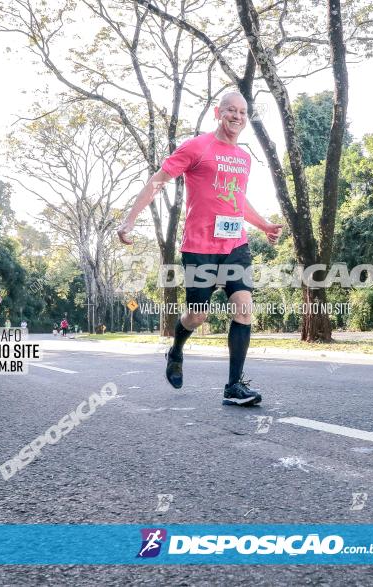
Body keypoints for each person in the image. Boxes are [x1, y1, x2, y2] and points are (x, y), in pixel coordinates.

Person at [117, 91, 283, 407]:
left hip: (235, 245)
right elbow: (158, 181)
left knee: (244, 308)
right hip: (199, 247)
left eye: (243, 112)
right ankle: (177, 348)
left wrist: (263, 225)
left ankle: (234, 387)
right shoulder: (197, 147)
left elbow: (238, 200)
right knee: (198, 316)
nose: (237, 116)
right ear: (218, 114)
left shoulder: (244, 158)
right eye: (231, 110)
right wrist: (129, 220)